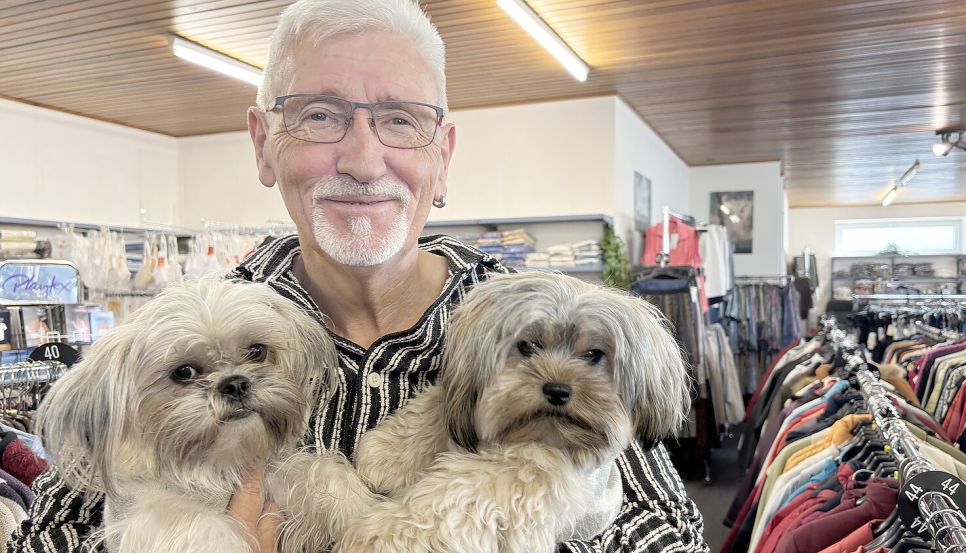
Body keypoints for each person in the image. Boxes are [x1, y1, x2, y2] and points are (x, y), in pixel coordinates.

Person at [9, 0, 709, 551]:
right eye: (320, 115)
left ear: (443, 155)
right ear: (262, 144)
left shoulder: (526, 319)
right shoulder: (178, 335)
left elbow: (673, 534)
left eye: (401, 120)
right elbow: (48, 536)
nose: (364, 160)